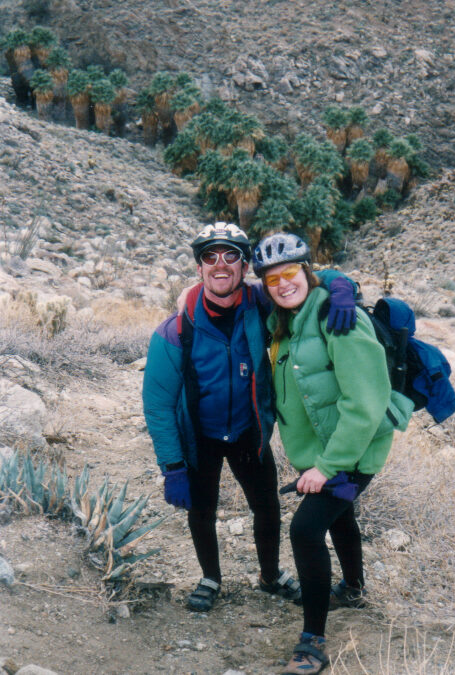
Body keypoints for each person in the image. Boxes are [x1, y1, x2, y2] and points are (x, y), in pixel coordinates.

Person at [142, 222, 358, 613]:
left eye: (231, 256)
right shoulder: (176, 329)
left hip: (249, 432)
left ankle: (270, 576)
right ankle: (210, 577)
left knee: (266, 507)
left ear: (244, 267)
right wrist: (172, 466)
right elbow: (157, 404)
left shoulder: (263, 305)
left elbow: (301, 278)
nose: (220, 264)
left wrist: (342, 286)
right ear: (199, 267)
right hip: (201, 436)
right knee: (202, 509)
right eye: (210, 256)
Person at [252, 232, 413, 675]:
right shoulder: (284, 324)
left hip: (353, 451)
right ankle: (355, 588)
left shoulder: (336, 318)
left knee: (305, 530)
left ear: (307, 272)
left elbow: (364, 404)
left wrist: (327, 467)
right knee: (340, 517)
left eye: (290, 274)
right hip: (320, 452)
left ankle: (313, 643)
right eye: (272, 280)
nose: (282, 284)